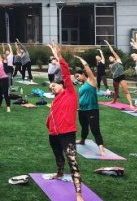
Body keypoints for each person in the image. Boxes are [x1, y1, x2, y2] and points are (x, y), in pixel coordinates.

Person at [46, 41, 84, 201]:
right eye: (50, 87)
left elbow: (65, 71)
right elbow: (52, 116)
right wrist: (48, 125)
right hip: (53, 134)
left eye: (54, 85)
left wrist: (58, 55)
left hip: (67, 134)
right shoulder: (55, 100)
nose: (52, 88)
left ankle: (78, 193)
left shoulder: (70, 93)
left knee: (73, 162)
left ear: (62, 85)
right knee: (58, 157)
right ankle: (59, 173)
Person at [74, 56, 105, 156]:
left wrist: (81, 59)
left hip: (92, 109)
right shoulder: (82, 85)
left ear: (83, 74)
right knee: (84, 127)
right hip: (82, 110)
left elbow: (87, 67)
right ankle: (82, 140)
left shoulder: (91, 81)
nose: (77, 79)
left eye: (78, 76)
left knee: (95, 129)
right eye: (76, 77)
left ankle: (101, 149)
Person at [104, 40, 133, 108]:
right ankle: (114, 101)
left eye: (111, 57)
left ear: (114, 58)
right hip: (115, 78)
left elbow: (112, 51)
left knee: (126, 91)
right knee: (116, 91)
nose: (110, 58)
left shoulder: (118, 60)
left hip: (121, 77)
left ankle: (131, 104)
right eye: (109, 58)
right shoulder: (110, 65)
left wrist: (108, 43)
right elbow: (113, 73)